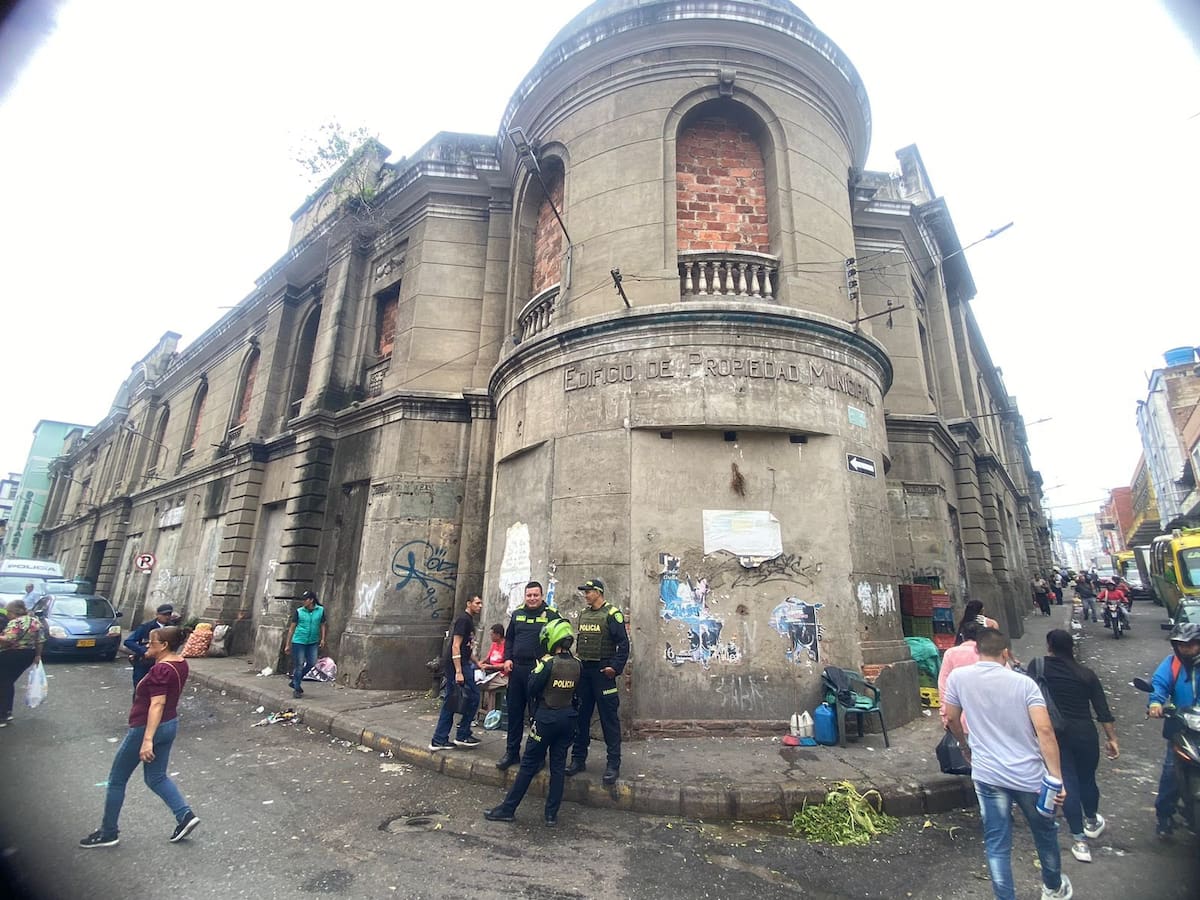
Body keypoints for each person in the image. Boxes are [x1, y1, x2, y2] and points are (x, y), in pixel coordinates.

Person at [943, 628, 1071, 900]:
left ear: (977, 651)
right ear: (1005, 653)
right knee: (1044, 833)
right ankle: (1052, 887)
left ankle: (1005, 897)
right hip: (1029, 776)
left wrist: (964, 747)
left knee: (997, 842)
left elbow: (952, 719)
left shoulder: (959, 678)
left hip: (988, 775)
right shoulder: (1025, 684)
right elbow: (1045, 732)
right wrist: (1056, 778)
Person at [79, 625, 199, 848]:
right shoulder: (179, 663)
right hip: (170, 723)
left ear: (163, 645)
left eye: (151, 643)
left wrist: (147, 739)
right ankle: (185, 815)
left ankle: (108, 831)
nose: (147, 646)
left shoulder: (161, 670)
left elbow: (157, 703)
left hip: (147, 727)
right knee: (156, 777)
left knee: (117, 780)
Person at [1028, 629, 1118, 863]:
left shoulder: (1038, 667)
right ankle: (1091, 820)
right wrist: (1112, 739)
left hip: (1055, 733)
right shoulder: (1086, 674)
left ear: (1049, 645)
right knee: (1087, 778)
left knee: (1066, 782)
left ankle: (1079, 841)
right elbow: (1102, 710)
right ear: (1071, 647)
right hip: (1085, 733)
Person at [484, 619, 579, 826]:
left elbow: (532, 688)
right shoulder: (577, 664)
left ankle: (508, 809)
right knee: (558, 767)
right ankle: (551, 815)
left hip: (546, 719)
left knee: (528, 765)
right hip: (568, 719)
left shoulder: (547, 664)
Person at [565, 578, 630, 785]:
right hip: (585, 671)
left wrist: (615, 668)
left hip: (603, 673)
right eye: (585, 591)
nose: (585, 594)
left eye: (588, 591)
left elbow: (623, 644)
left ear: (598, 592)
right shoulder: (584, 614)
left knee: (608, 719)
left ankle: (613, 764)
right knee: (580, 717)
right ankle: (578, 759)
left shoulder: (612, 614)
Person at [496, 581, 560, 770]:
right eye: (529, 595)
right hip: (517, 671)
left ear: (541, 596)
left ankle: (537, 756)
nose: (532, 598)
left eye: (535, 595)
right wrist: (507, 658)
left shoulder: (551, 615)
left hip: (538, 672)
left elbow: (559, 642)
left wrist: (548, 662)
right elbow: (510, 640)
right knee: (514, 713)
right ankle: (512, 753)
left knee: (537, 715)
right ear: (525, 596)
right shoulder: (517, 614)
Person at [1146, 622, 1200, 838]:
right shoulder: (1173, 664)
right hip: (1182, 728)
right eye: (1181, 645)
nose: (1186, 649)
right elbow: (1159, 684)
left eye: (1191, 645)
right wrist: (1155, 703)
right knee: (1171, 772)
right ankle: (1164, 816)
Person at [429, 594, 483, 750]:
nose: (480, 606)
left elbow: (467, 647)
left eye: (481, 604)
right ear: (469, 603)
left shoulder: (469, 621)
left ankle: (455, 734)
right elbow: (455, 645)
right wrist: (459, 671)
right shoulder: (463, 620)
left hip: (464, 663)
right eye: (477, 603)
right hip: (456, 665)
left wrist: (476, 662)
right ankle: (453, 735)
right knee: (457, 699)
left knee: (464, 698)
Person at [0, 600, 44, 726]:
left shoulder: (15, 622)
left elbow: (9, 639)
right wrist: (38, 655)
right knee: (8, 682)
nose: (7, 615)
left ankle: (3, 715)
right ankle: (7, 712)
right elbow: (40, 640)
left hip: (11, 654)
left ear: (14, 612)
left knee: (4, 683)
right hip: (28, 655)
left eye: (8, 612)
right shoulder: (35, 621)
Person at [124, 603, 177, 692]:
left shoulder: (171, 629)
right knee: (140, 689)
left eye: (169, 614)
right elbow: (129, 641)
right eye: (164, 614)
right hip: (144, 663)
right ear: (157, 615)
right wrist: (144, 651)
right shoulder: (146, 627)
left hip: (161, 664)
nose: (167, 617)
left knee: (158, 690)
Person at [939, 620, 980, 732]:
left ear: (962, 636)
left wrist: (945, 714)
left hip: (959, 718)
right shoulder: (989, 654)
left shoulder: (951, 653)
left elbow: (943, 685)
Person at [284, 590, 326, 699]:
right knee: (299, 664)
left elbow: (322, 625)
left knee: (312, 662)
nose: (304, 602)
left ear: (311, 600)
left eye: (305, 599)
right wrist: (287, 644)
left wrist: (323, 639)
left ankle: (295, 680)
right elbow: (292, 628)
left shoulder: (320, 610)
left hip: (313, 641)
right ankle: (297, 688)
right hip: (299, 640)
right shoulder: (299, 612)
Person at [478, 623, 509, 723]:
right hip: (491, 672)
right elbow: (488, 658)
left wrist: (490, 666)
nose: (490, 636)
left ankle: (490, 714)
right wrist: (480, 663)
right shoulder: (494, 645)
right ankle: (485, 713)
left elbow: (505, 665)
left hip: (502, 675)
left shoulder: (506, 646)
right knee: (476, 679)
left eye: (492, 634)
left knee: (484, 685)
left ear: (498, 635)